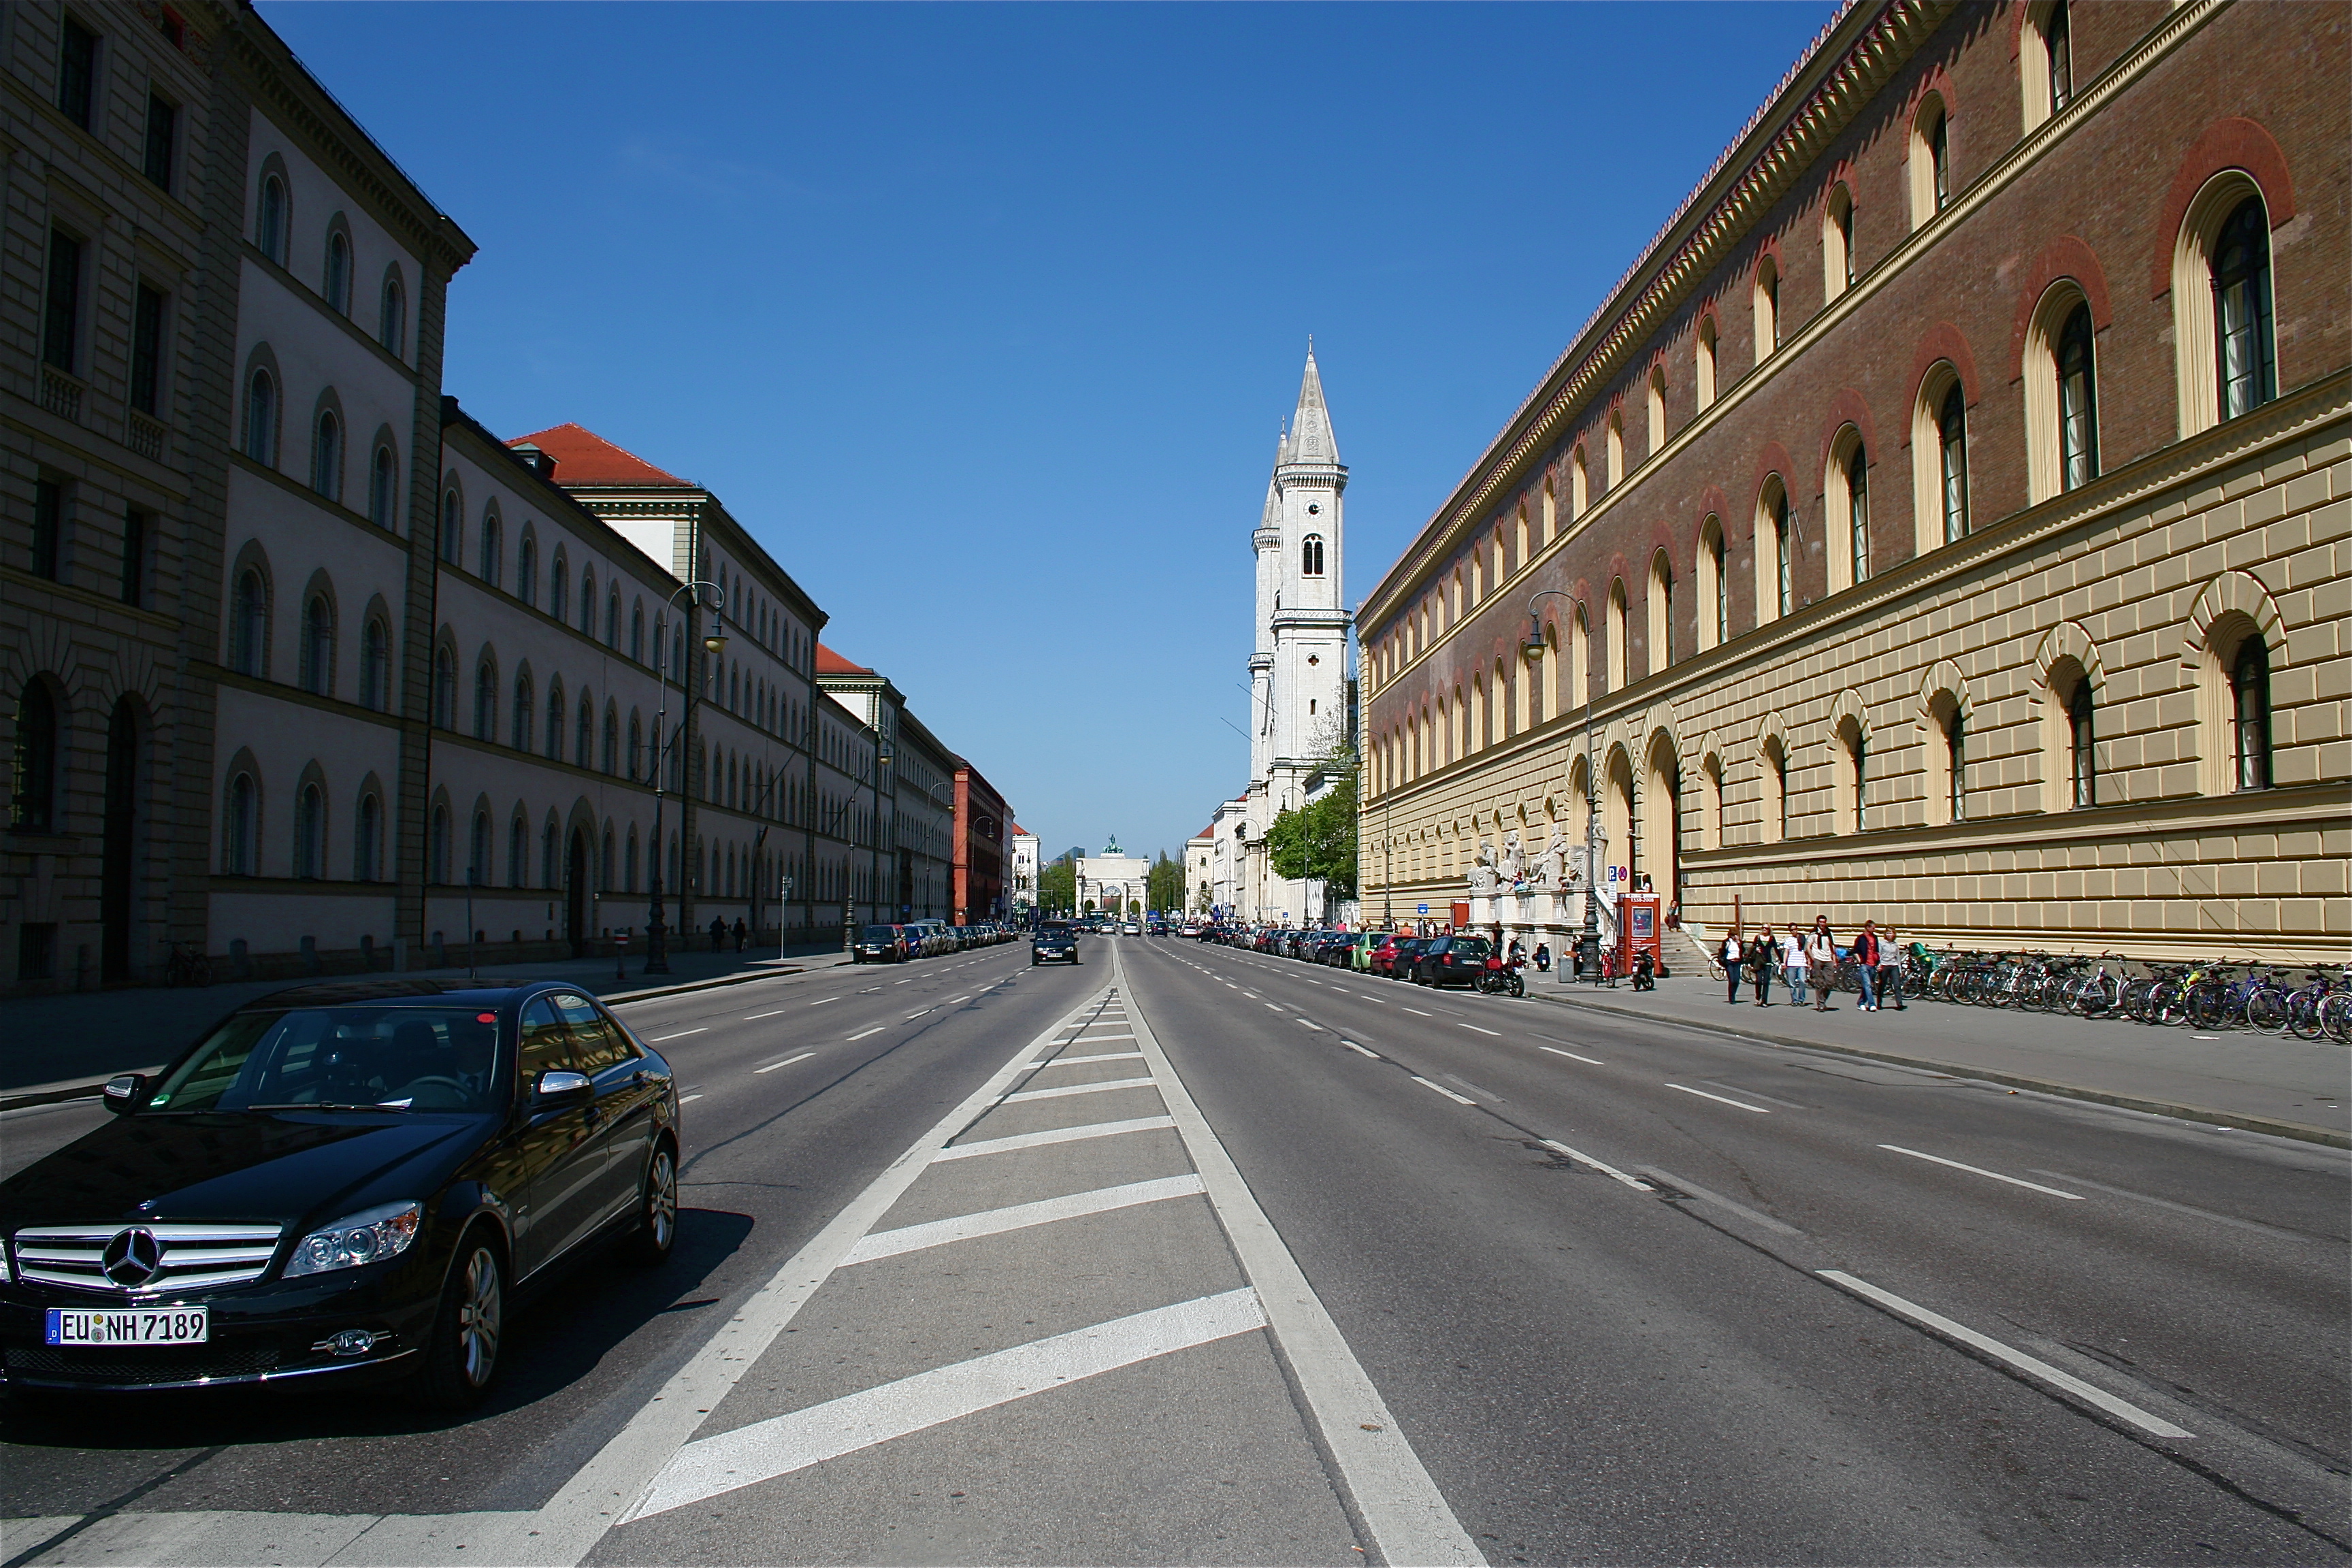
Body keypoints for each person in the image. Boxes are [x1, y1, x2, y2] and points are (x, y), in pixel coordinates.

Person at [1807, 916, 1839, 1011]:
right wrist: (1812, 958)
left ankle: (1823, 999)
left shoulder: (1829, 934)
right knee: (1820, 983)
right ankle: (1821, 1004)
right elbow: (1808, 947)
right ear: (1818, 923)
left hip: (1828, 959)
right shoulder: (1813, 934)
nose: (1822, 924)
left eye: (1824, 922)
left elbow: (1833, 947)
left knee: (1830, 982)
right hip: (1817, 959)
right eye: (1820, 922)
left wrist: (1834, 960)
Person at [1853, 920, 1882, 1011]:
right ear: (1867, 927)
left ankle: (1861, 1002)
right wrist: (1859, 960)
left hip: (1873, 964)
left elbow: (1877, 951)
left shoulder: (1875, 938)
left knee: (1869, 985)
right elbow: (1855, 950)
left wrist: (1878, 962)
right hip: (1864, 964)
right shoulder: (1861, 938)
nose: (1874, 930)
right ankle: (1872, 1004)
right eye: (1873, 928)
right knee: (1867, 984)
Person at [1782, 921, 1809, 1007]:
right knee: (1792, 984)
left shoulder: (1802, 938)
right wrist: (1784, 963)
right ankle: (1794, 1000)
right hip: (1791, 964)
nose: (1794, 931)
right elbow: (1786, 952)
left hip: (1801, 963)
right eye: (1792, 930)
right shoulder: (1789, 940)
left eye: (1795, 929)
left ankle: (1801, 999)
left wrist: (1808, 961)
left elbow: (1806, 951)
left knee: (1802, 981)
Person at [1880, 926, 1907, 1010]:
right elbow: (1879, 955)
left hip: (1894, 965)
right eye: (1888, 933)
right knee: (1882, 985)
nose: (1889, 935)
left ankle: (1899, 1004)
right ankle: (1879, 1002)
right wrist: (1879, 965)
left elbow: (1897, 957)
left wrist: (1900, 969)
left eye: (1891, 933)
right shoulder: (1882, 944)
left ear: (1894, 934)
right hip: (1884, 965)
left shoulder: (1895, 944)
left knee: (1897, 985)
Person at [1746, 930, 1776, 1005]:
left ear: (1769, 930)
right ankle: (1758, 997)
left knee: (1766, 981)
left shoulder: (1772, 938)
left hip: (1768, 961)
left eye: (1766, 928)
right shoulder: (1758, 938)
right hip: (1759, 962)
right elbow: (1753, 947)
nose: (1764, 929)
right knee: (1759, 981)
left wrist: (1782, 961)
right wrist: (1755, 950)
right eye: (1763, 928)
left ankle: (1764, 1000)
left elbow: (1776, 949)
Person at [1720, 927, 1744, 1003]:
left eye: (1735, 935)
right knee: (1732, 980)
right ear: (1730, 935)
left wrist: (1739, 943)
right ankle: (1732, 998)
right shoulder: (1727, 942)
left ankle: (1733, 993)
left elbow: (1743, 950)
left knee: (1737, 980)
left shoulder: (1739, 942)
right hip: (1729, 962)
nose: (1734, 937)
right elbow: (1723, 951)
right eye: (1732, 935)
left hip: (1737, 962)